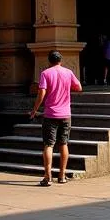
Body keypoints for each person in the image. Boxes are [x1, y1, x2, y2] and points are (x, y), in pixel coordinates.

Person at [29, 49, 82, 186]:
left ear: (49, 61)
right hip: (66, 114)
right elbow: (79, 87)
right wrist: (66, 88)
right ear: (61, 60)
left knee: (48, 145)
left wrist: (34, 110)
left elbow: (41, 94)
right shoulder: (68, 73)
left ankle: (48, 177)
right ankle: (62, 175)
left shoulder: (45, 73)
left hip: (50, 114)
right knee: (63, 144)